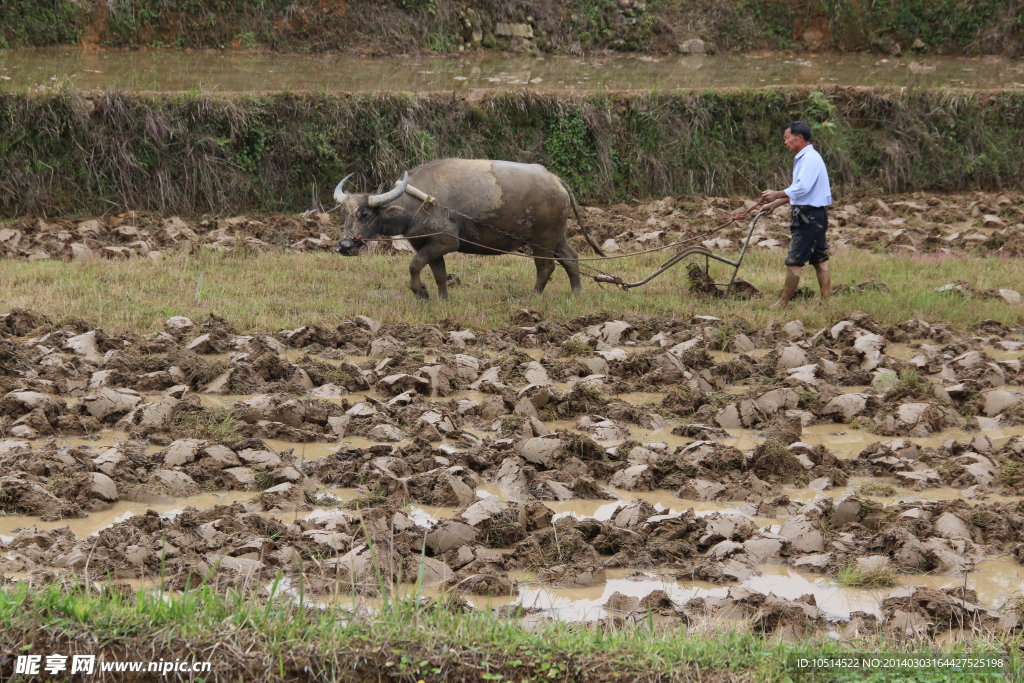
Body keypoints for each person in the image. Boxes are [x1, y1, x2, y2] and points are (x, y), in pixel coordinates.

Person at [738, 121, 832, 309]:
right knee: (819, 260)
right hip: (815, 216)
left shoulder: (809, 159)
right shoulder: (806, 157)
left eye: (787, 138)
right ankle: (826, 301)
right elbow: (801, 192)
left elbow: (802, 188)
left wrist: (777, 194)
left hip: (808, 217)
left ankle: (783, 303)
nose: (785, 142)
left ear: (799, 138)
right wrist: (775, 203)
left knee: (794, 262)